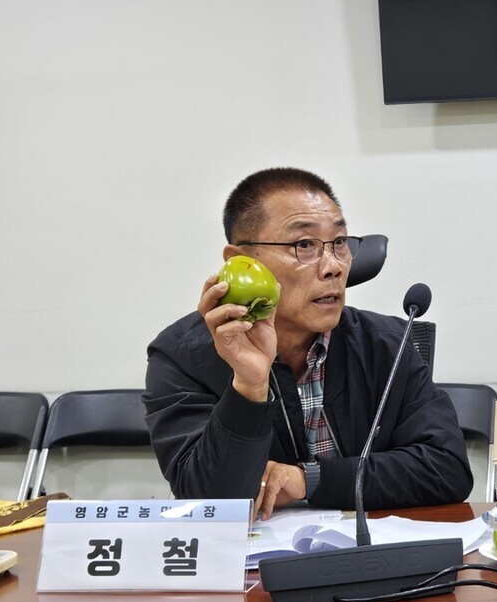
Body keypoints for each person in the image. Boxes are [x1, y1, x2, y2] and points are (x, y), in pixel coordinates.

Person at [144, 168, 473, 518]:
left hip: (367, 558)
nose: (333, 267)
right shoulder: (182, 356)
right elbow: (210, 503)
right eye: (304, 245)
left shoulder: (387, 345)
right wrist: (249, 386)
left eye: (340, 243)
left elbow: (446, 468)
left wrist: (309, 479)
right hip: (252, 569)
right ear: (241, 261)